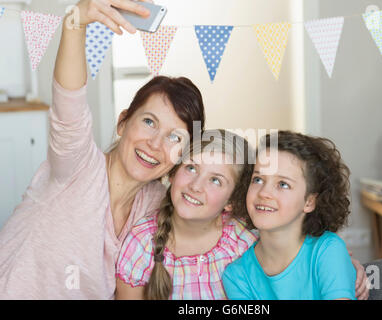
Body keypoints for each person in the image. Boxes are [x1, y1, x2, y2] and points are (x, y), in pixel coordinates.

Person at [0, 0, 205, 299]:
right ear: (123, 122)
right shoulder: (78, 165)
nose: (155, 144)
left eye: (174, 138)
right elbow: (68, 101)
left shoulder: (157, 204)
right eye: (149, 122)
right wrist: (76, 23)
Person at [115, 130, 258, 299]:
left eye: (215, 180)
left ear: (231, 201)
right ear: (174, 173)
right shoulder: (141, 243)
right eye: (191, 168)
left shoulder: (244, 243)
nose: (196, 186)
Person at [223, 131, 361, 300]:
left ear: (309, 202)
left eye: (283, 184)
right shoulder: (236, 275)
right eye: (258, 179)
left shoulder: (328, 251)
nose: (264, 193)